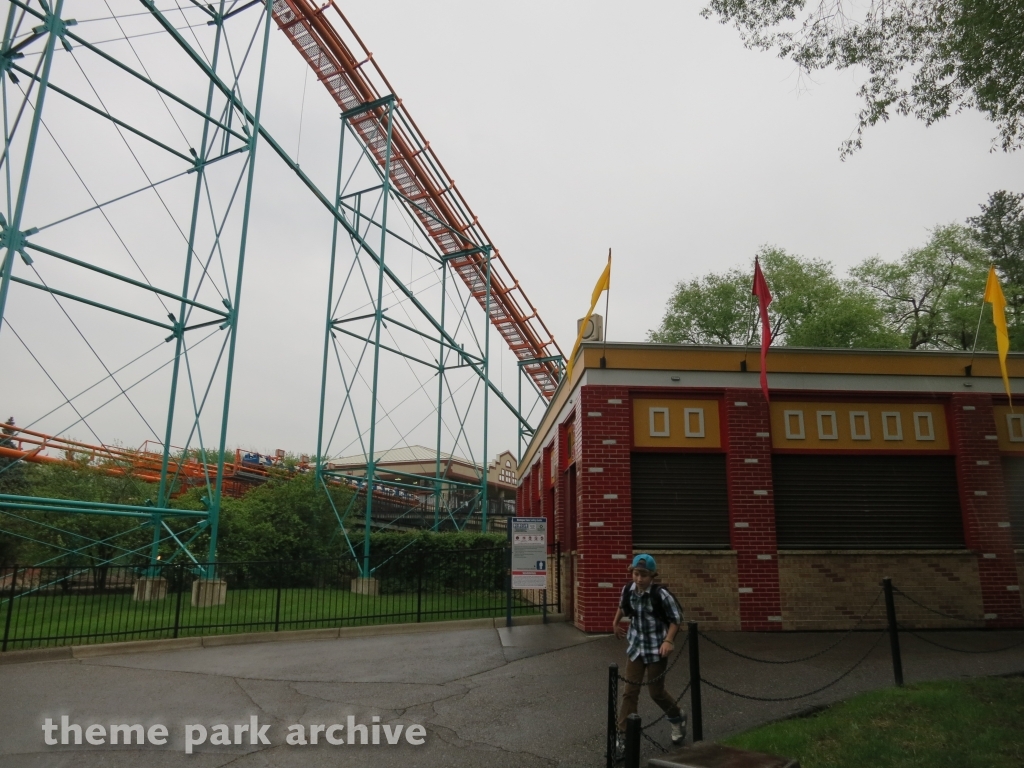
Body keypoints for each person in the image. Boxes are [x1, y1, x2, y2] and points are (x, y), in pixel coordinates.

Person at [612, 553, 686, 751]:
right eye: (636, 574)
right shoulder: (628, 589)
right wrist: (615, 622)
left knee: (656, 692)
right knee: (630, 692)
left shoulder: (660, 594)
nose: (639, 579)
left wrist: (669, 640)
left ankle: (677, 718)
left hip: (656, 649)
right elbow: (622, 607)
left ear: (652, 576)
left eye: (643, 575)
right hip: (636, 647)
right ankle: (625, 736)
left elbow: (676, 619)